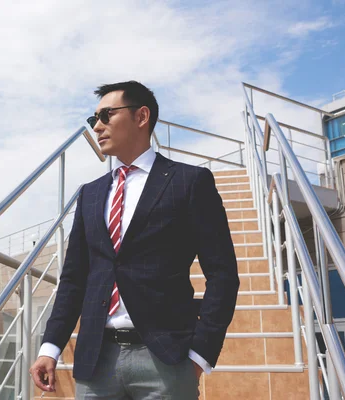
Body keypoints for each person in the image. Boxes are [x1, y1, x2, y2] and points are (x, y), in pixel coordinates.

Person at [29, 80, 240, 399]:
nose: (97, 126)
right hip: (96, 361)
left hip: (166, 361)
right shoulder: (91, 193)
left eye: (106, 115)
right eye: (93, 119)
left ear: (142, 117)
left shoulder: (189, 182)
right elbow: (74, 279)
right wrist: (50, 347)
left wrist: (200, 355)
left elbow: (223, 275)